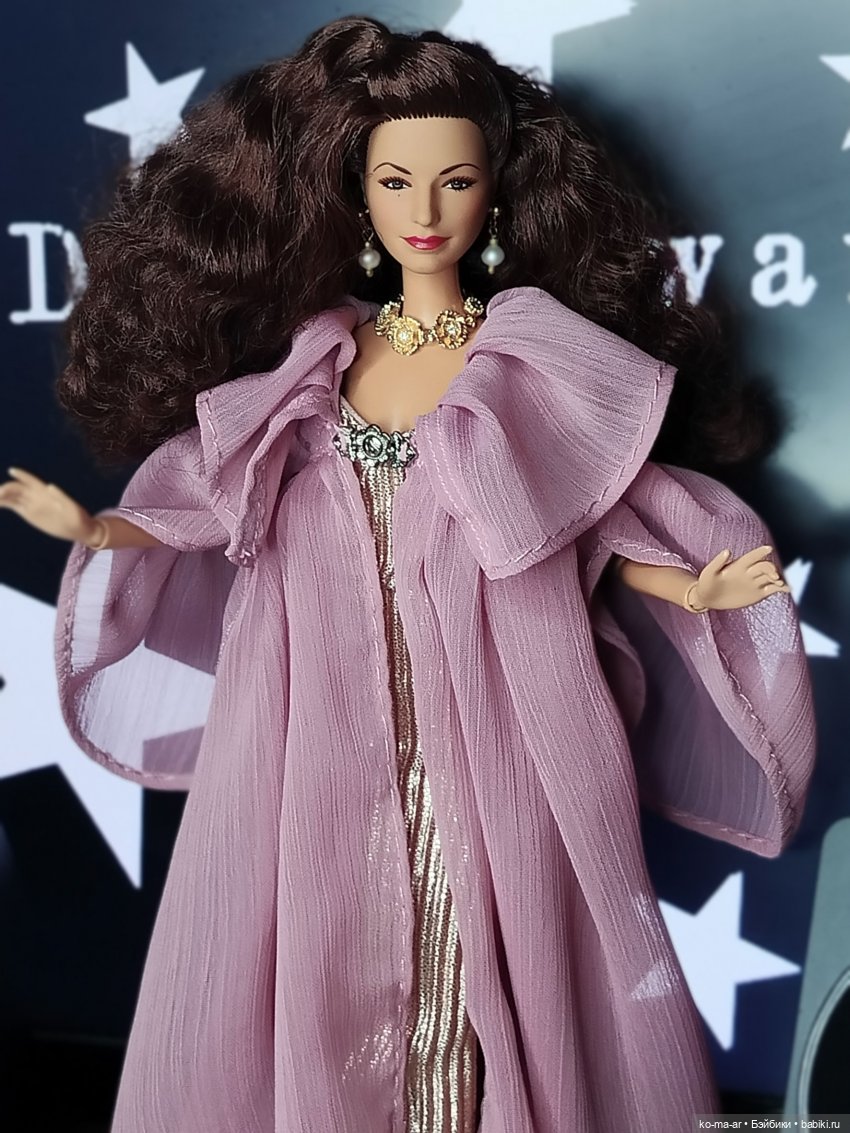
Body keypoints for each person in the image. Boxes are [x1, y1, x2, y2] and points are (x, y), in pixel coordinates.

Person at [0, 16, 815, 1133]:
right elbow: (212, 497)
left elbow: (593, 525)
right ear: (359, 195)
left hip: (496, 710)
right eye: (395, 181)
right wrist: (99, 527)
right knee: (323, 932)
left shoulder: (526, 359)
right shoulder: (320, 360)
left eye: (455, 181)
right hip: (321, 711)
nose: (424, 210)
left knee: (493, 944)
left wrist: (693, 589)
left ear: (496, 195)